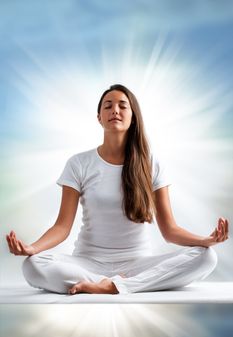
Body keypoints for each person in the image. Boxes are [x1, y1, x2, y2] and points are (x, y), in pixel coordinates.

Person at [6, 84, 229, 295]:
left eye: (123, 105)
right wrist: (32, 248)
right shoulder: (79, 163)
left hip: (137, 265)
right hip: (87, 263)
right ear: (99, 117)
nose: (115, 110)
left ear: (133, 117)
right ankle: (113, 283)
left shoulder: (151, 164)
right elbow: (62, 227)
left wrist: (205, 240)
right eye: (108, 105)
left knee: (207, 258)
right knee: (33, 266)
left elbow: (169, 230)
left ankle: (116, 286)